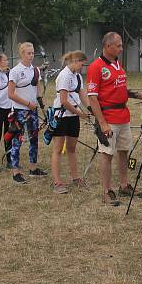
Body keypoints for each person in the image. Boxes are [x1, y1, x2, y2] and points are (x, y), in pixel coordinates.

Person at [86, 32, 142, 205]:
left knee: (124, 151)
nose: (121, 48)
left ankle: (124, 185)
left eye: (121, 45)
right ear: (108, 46)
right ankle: (107, 191)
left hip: (123, 117)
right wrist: (102, 123)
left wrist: (137, 94)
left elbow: (120, 88)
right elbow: (92, 97)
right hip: (108, 119)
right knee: (106, 154)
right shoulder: (96, 67)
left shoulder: (117, 64)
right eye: (118, 45)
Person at [50, 51, 90, 194]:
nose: (82, 67)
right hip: (61, 116)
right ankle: (57, 182)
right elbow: (64, 101)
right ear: (74, 61)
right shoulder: (64, 75)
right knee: (58, 148)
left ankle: (75, 177)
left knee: (72, 148)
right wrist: (80, 113)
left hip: (73, 117)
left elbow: (82, 94)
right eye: (81, 63)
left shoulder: (77, 76)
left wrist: (90, 108)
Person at [7, 42, 47, 184]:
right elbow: (11, 94)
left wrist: (38, 99)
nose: (31, 56)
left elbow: (38, 87)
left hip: (33, 110)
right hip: (20, 110)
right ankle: (16, 172)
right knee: (17, 140)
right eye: (28, 53)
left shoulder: (35, 70)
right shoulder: (15, 71)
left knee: (34, 138)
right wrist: (27, 104)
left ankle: (33, 168)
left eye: (32, 53)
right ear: (22, 54)